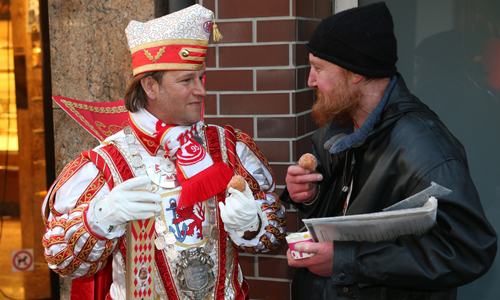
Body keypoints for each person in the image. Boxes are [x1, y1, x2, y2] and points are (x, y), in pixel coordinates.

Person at [41, 4, 285, 300]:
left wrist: (253, 224)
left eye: (201, 78)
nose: (202, 91)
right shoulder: (107, 162)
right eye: (186, 80)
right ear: (150, 86)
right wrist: (101, 217)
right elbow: (61, 260)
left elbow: (271, 235)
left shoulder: (229, 147)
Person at [280, 2, 497, 299]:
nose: (310, 80)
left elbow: (467, 249)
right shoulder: (338, 128)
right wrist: (309, 195)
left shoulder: (423, 145)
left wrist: (346, 260)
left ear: (354, 73)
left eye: (318, 68)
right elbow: (343, 209)